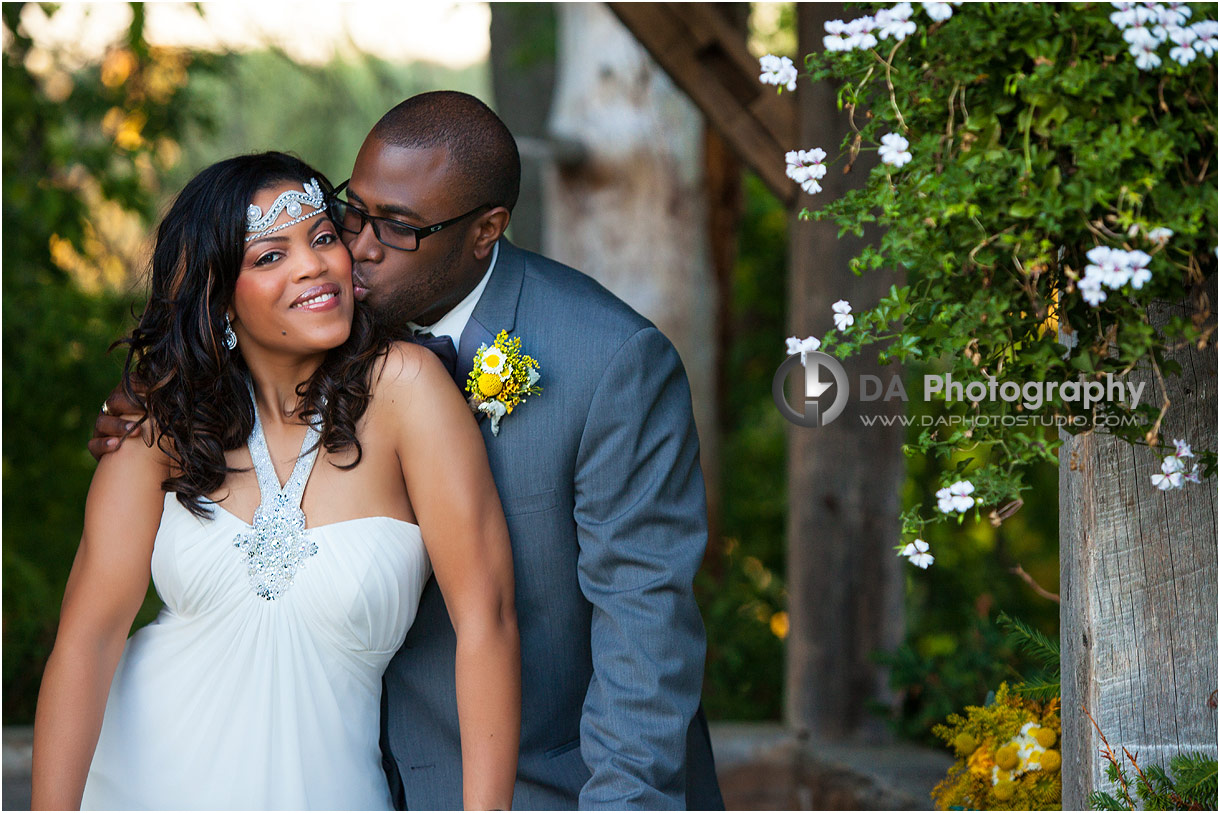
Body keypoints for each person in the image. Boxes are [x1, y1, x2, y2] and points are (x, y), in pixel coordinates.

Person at [94, 91, 724, 810]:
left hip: (544, 787)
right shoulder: (320, 306)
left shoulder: (611, 363)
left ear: (486, 230)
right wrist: (148, 405)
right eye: (350, 210)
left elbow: (644, 635)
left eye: (396, 227)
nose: (357, 245)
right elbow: (222, 343)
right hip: (330, 776)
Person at [36, 152, 520, 810]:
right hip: (136, 783)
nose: (314, 265)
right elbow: (87, 639)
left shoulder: (407, 389)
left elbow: (486, 622)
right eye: (270, 256)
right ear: (219, 297)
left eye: (323, 237)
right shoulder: (162, 419)